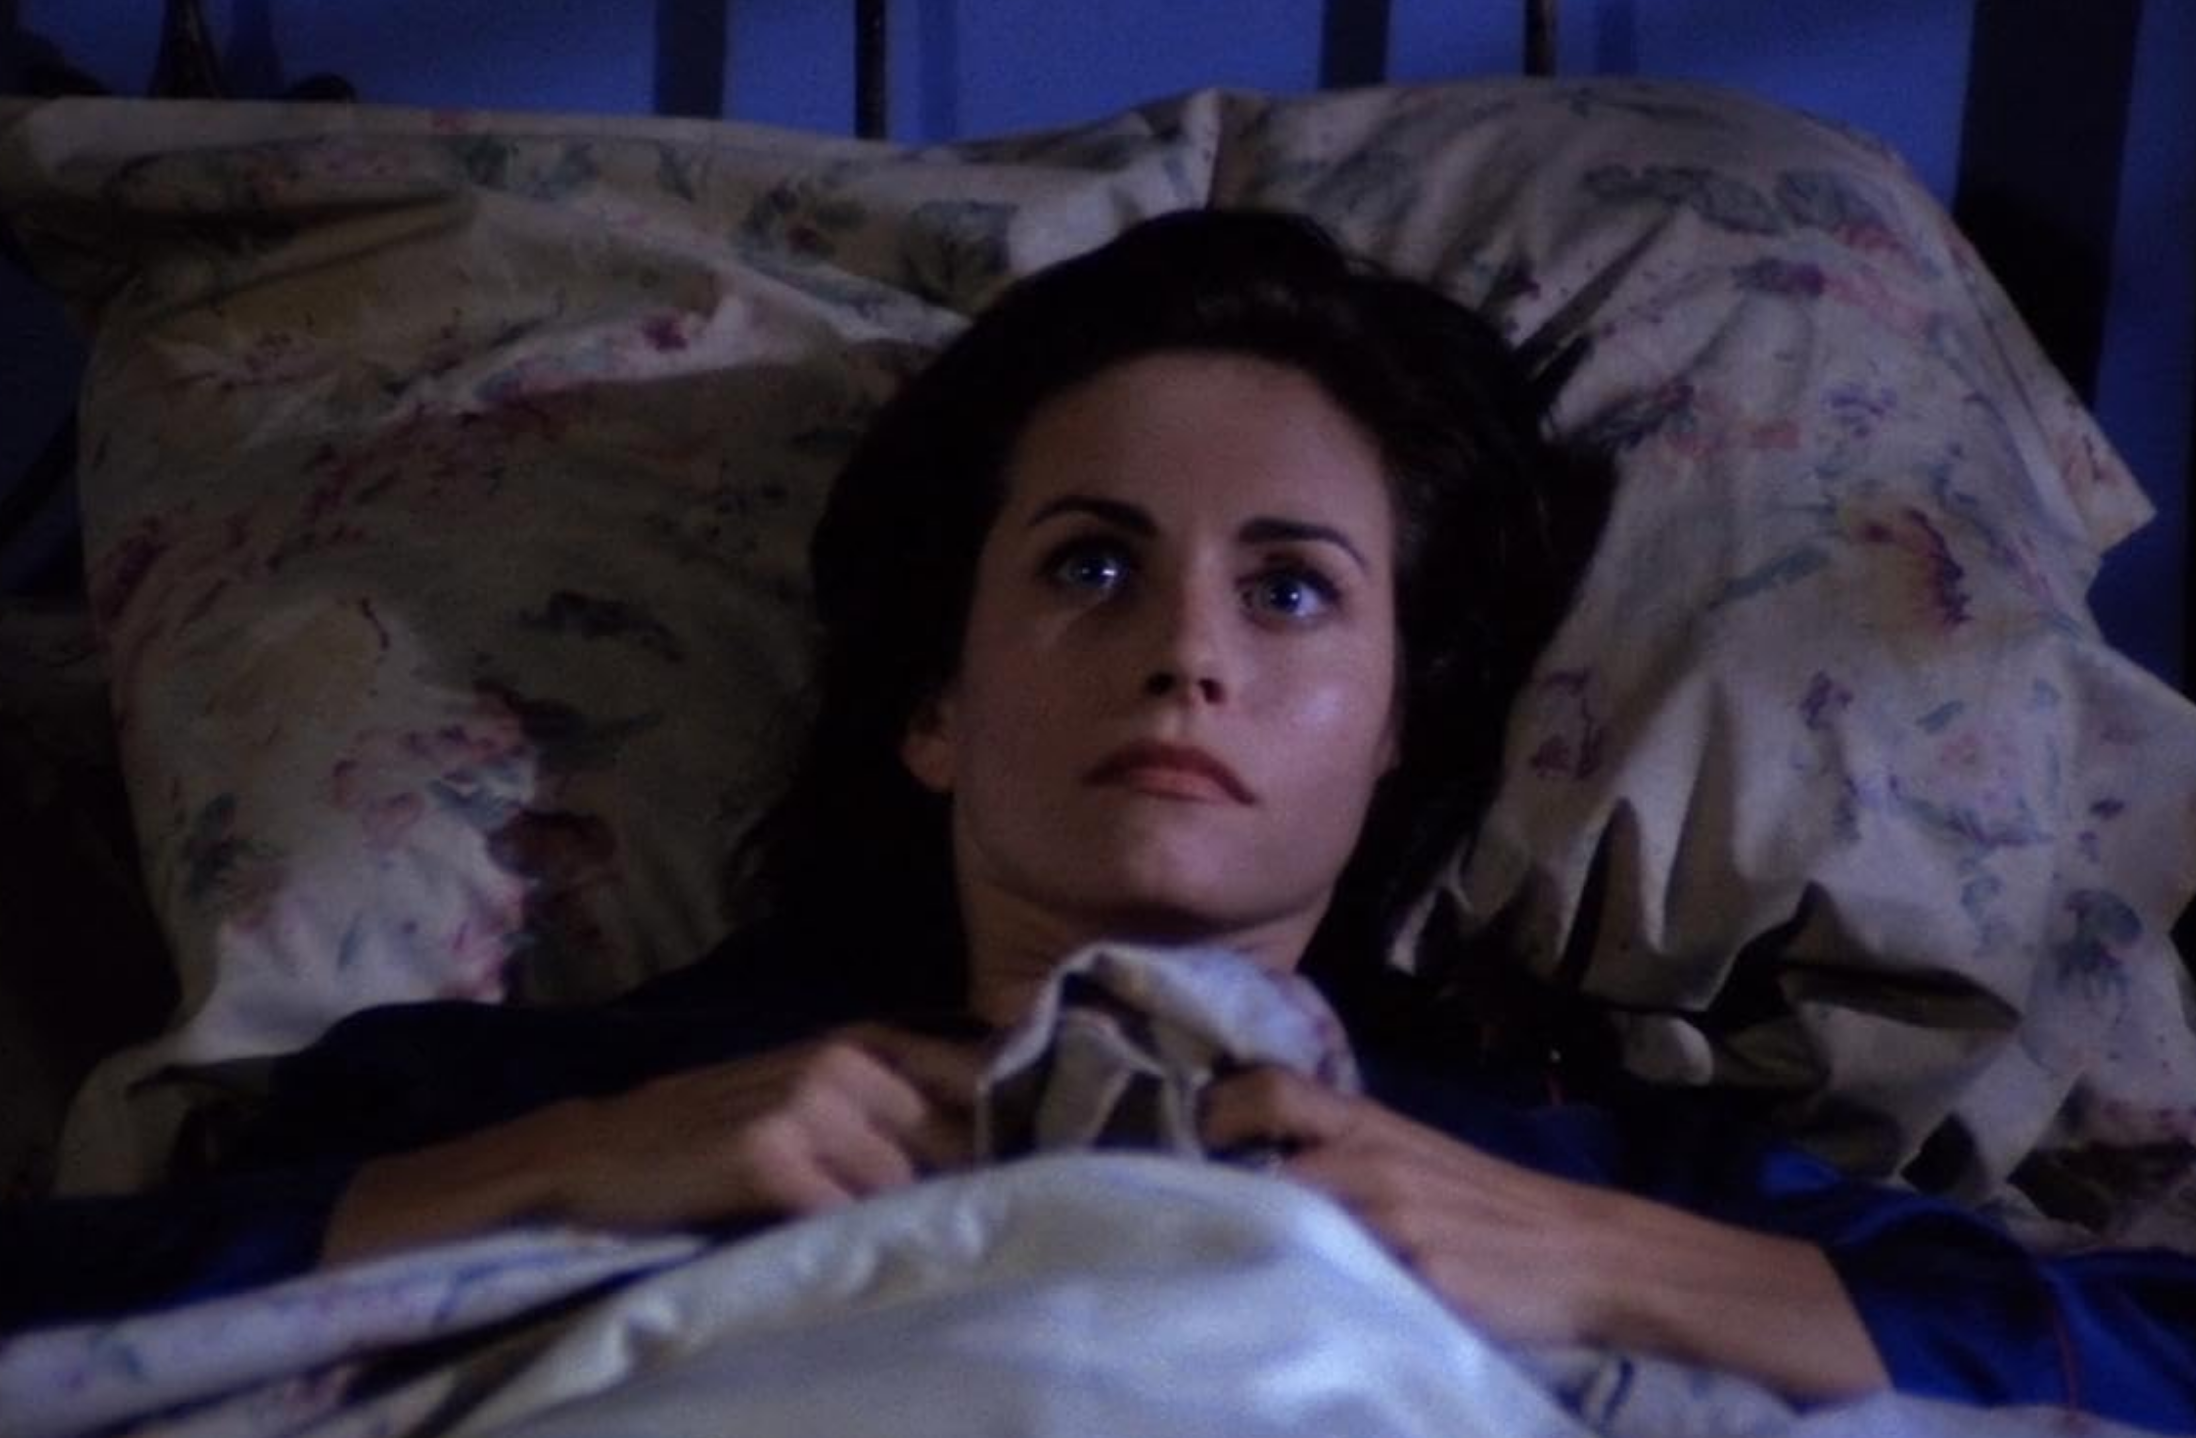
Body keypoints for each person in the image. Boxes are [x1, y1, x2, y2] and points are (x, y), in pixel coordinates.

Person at [8, 211, 2193, 1428]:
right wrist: (557, 1170)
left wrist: (1605, 1259)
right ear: (936, 705)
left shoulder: (1581, 1159)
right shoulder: (533, 1093)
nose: (1186, 653)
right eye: (1089, 562)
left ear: (1392, 729)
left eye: (1293, 588)